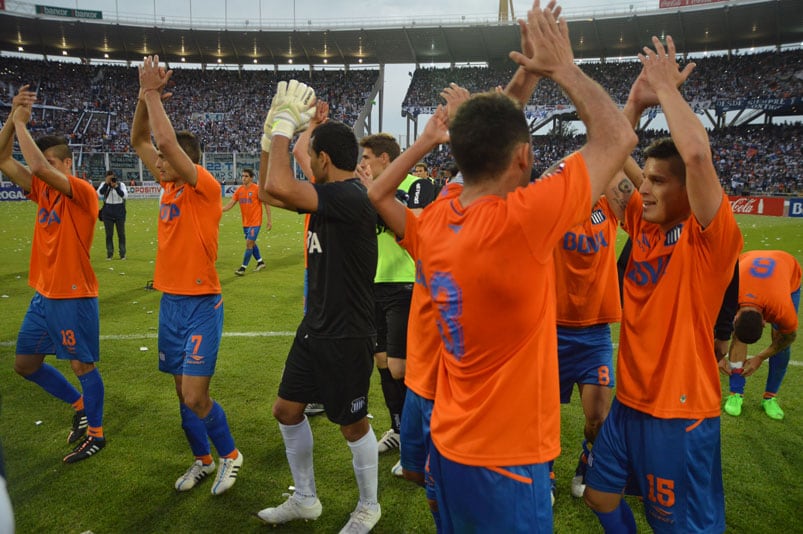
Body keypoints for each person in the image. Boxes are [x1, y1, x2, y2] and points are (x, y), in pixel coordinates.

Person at [367, 1, 637, 529]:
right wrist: (561, 67)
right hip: (507, 458)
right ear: (523, 159)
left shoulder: (439, 217)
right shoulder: (524, 222)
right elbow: (618, 139)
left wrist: (523, 77)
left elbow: (379, 191)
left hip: (450, 440)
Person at [582, 36, 743, 533]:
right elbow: (606, 160)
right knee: (600, 494)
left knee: (680, 526)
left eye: (656, 181)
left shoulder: (708, 239)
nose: (643, 188)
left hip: (680, 410)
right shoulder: (643, 223)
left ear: (686, 190)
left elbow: (696, 157)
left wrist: (668, 90)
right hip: (631, 400)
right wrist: (633, 103)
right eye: (644, 178)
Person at [255, 80, 381, 533]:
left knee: (352, 424)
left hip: (347, 332)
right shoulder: (329, 196)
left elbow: (277, 185)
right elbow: (270, 191)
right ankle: (306, 499)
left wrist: (286, 125)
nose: (306, 163)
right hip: (316, 326)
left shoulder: (348, 199)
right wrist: (274, 137)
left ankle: (369, 506)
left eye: (311, 157)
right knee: (286, 411)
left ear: (324, 161)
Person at [131, 55, 242, 495]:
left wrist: (154, 93)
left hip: (200, 305)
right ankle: (201, 460)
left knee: (196, 396)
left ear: (183, 161)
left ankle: (230, 457)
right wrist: (143, 94)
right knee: (181, 394)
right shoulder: (168, 187)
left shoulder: (205, 187)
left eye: (163, 158)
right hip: (170, 303)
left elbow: (160, 138)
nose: (156, 162)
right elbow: (140, 136)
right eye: (158, 159)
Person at [0, 86, 107, 464]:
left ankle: (96, 434)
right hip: (44, 294)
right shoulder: (43, 192)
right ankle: (79, 405)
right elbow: (3, 159)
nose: (38, 167)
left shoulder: (81, 192)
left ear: (67, 164)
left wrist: (21, 123)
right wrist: (13, 119)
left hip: (72, 294)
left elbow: (39, 168)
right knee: (25, 364)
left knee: (82, 365)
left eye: (48, 161)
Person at [551, 158, 643, 502]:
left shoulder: (610, 207)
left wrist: (615, 145)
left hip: (594, 334)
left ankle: (586, 460)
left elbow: (631, 181)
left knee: (598, 417)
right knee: (544, 414)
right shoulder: (556, 210)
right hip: (552, 330)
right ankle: (544, 473)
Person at [358, 132, 435, 469]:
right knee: (383, 362)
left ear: (385, 160)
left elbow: (409, 226)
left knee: (402, 367)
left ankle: (418, 438)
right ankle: (398, 430)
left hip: (403, 283)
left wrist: (373, 196)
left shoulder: (412, 188)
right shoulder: (366, 191)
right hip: (371, 284)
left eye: (366, 158)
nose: (361, 164)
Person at [721, 250, 800, 420]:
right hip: (748, 260)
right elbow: (705, 327)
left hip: (787, 266)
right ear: (735, 317)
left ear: (765, 321)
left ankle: (770, 397)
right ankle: (736, 392)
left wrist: (760, 357)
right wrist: (718, 356)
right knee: (738, 336)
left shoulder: (781, 307)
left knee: (781, 341)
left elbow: (788, 338)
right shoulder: (727, 292)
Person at [222, 168, 270, 275]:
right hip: (245, 223)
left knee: (249, 244)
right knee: (251, 243)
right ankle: (260, 262)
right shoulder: (239, 190)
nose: (243, 178)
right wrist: (220, 210)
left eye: (246, 176)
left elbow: (266, 203)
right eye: (242, 176)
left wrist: (269, 220)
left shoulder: (257, 189)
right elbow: (230, 204)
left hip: (255, 222)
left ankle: (243, 268)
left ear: (252, 178)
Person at [97, 169, 128, 260]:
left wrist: (116, 187)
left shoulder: (121, 185)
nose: (111, 179)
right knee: (109, 234)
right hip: (108, 210)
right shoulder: (104, 185)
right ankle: (109, 253)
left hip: (119, 210)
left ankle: (122, 254)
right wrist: (107, 184)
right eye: (109, 177)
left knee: (121, 233)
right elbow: (99, 193)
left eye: (113, 177)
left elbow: (125, 196)